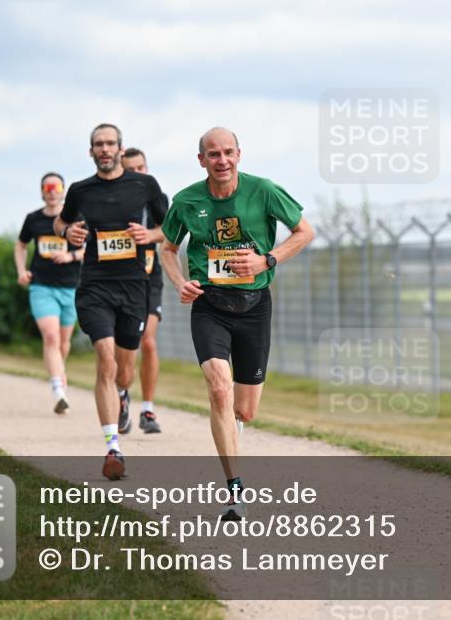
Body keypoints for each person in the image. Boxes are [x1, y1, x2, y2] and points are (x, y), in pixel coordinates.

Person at [160, 127, 314, 520]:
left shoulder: (263, 190)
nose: (222, 160)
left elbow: (305, 231)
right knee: (218, 389)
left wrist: (268, 260)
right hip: (210, 304)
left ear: (239, 155)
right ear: (201, 160)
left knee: (245, 410)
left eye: (228, 152)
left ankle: (234, 431)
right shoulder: (186, 200)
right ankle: (234, 490)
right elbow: (167, 247)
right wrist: (181, 282)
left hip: (254, 305)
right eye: (213, 154)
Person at [53, 124, 169, 480]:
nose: (104, 149)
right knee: (104, 358)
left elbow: (172, 227)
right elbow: (61, 221)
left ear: (120, 149)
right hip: (95, 287)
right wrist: (66, 231)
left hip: (135, 288)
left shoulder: (144, 186)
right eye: (98, 144)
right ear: (91, 152)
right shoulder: (80, 190)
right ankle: (112, 448)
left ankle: (123, 394)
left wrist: (150, 234)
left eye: (110, 143)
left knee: (124, 370)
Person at [15, 172, 84, 415]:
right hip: (41, 286)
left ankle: (59, 373)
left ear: (63, 191)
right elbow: (21, 245)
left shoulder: (76, 218)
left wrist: (71, 255)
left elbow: (90, 248)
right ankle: (58, 390)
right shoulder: (33, 219)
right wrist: (22, 270)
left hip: (70, 288)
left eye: (57, 187)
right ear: (42, 191)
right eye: (48, 187)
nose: (52, 191)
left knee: (64, 342)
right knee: (52, 338)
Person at [120, 147, 164, 434]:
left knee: (147, 341)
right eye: (130, 170)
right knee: (124, 347)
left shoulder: (156, 197)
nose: (137, 174)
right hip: (117, 280)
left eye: (141, 168)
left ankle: (147, 409)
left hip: (149, 276)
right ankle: (122, 395)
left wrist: (148, 235)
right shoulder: (110, 198)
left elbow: (168, 230)